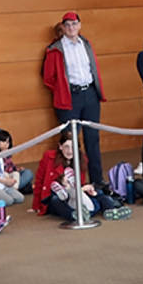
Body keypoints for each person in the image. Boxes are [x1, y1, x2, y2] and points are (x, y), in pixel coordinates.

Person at [42, 12, 106, 181]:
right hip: (70, 97)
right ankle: (71, 182)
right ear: (63, 27)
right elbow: (48, 78)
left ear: (79, 25)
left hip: (90, 94)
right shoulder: (55, 49)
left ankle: (97, 181)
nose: (71, 28)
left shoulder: (86, 44)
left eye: (74, 24)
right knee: (69, 143)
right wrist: (63, 89)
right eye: (67, 25)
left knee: (93, 139)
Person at [34, 134, 127, 221]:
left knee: (97, 193)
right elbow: (39, 180)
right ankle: (75, 215)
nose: (70, 151)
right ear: (60, 146)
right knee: (55, 200)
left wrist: (87, 188)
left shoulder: (82, 159)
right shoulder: (49, 157)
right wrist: (36, 205)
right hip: (58, 195)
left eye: (73, 147)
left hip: (76, 192)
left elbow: (80, 184)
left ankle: (110, 210)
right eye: (66, 147)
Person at [0, 131, 30, 211]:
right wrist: (5, 181)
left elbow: (0, 172)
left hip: (3, 185)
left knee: (20, 198)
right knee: (8, 201)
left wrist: (8, 181)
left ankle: (0, 194)